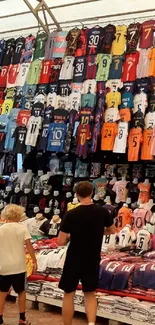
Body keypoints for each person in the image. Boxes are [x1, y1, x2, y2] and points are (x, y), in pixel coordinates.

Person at [58, 181, 116, 325]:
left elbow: (61, 241)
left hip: (73, 258)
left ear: (77, 195)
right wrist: (96, 232)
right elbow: (112, 230)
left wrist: (72, 236)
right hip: (92, 257)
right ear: (92, 193)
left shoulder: (71, 214)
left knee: (68, 293)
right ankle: (91, 323)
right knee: (90, 293)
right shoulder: (103, 212)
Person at [0, 204, 37, 325]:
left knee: (2, 292)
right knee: (21, 292)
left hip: (3, 266)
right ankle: (22, 318)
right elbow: (29, 246)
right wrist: (34, 260)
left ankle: (0, 319)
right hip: (19, 266)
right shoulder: (22, 228)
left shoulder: (1, 228)